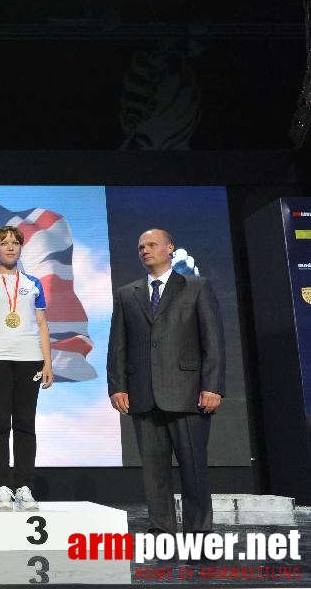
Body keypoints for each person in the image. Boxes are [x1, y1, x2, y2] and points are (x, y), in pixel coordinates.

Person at [108, 228, 224, 535]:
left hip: (188, 394)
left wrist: (212, 385)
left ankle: (199, 533)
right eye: (140, 247)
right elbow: (117, 345)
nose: (145, 250)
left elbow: (213, 341)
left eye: (151, 245)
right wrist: (117, 386)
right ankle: (162, 531)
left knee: (193, 469)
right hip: (143, 394)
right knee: (154, 473)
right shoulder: (127, 294)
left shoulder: (196, 287)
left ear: (169, 248)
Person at [0, 226, 54, 511]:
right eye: (4, 243)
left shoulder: (33, 283)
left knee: (26, 425)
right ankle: (2, 487)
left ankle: (25, 487)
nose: (10, 247)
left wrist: (48, 362)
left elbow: (41, 324)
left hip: (30, 359)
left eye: (15, 243)